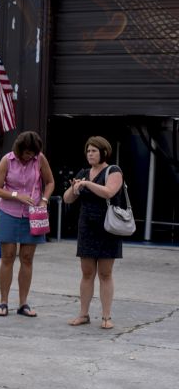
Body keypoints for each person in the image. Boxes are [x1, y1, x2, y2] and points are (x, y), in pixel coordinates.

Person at [0, 131, 55, 318]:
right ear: (19, 150)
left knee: (27, 258)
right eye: (27, 153)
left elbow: (50, 182)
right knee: (8, 257)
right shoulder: (7, 161)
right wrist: (17, 196)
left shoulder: (40, 159)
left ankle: (23, 303)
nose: (30, 157)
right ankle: (3, 302)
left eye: (33, 154)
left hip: (32, 215)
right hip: (8, 213)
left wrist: (44, 199)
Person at [63, 136, 124, 330]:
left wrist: (87, 184)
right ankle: (83, 314)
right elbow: (67, 199)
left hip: (107, 228)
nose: (90, 154)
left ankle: (106, 316)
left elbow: (108, 192)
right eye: (88, 151)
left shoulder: (113, 170)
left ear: (103, 152)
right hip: (87, 227)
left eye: (94, 151)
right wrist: (75, 188)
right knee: (87, 273)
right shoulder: (83, 172)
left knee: (105, 273)